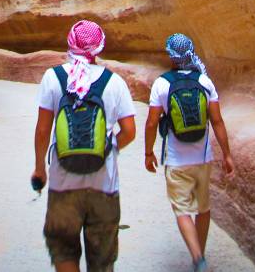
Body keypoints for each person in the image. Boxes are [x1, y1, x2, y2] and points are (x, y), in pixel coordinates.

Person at [32, 20, 136, 272]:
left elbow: (43, 129)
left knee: (64, 250)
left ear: (70, 43)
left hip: (62, 184)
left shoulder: (53, 77)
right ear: (99, 47)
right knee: (102, 260)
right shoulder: (114, 82)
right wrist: (107, 149)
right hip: (104, 186)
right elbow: (130, 131)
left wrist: (40, 169)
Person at [144, 33, 235, 272]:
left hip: (176, 160)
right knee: (203, 209)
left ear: (171, 57)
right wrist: (227, 155)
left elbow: (152, 123)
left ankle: (196, 257)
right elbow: (217, 121)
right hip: (203, 159)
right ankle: (200, 256)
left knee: (182, 210)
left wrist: (148, 153)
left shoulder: (162, 84)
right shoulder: (204, 82)